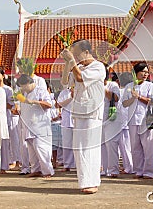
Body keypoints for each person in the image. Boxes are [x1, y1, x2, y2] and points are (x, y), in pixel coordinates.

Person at [60, 39, 106, 194]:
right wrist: (68, 62)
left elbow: (80, 78)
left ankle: (92, 182)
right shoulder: (77, 66)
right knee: (79, 148)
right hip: (78, 111)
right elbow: (65, 82)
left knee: (89, 147)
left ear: (86, 51)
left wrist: (72, 61)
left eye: (77, 53)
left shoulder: (98, 66)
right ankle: (85, 181)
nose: (76, 57)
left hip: (92, 112)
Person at [122, 63, 153, 179]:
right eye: (143, 72)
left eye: (147, 72)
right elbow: (124, 103)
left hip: (146, 119)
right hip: (132, 120)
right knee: (135, 147)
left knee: (148, 147)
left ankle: (149, 171)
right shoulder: (129, 86)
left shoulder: (150, 86)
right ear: (135, 73)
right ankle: (138, 170)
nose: (145, 74)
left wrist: (139, 97)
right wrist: (132, 98)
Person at [17, 74, 54, 179]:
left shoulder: (40, 90)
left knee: (41, 148)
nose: (22, 88)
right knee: (31, 149)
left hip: (40, 125)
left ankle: (47, 171)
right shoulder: (23, 94)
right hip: (28, 126)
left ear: (29, 83)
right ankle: (36, 170)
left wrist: (34, 102)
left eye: (23, 86)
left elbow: (49, 104)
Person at [102, 69, 121, 177]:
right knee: (102, 145)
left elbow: (116, 98)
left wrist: (103, 87)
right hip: (99, 118)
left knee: (111, 144)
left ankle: (113, 170)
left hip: (111, 118)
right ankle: (104, 169)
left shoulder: (113, 85)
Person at [57, 86, 76, 171]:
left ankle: (77, 164)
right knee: (67, 143)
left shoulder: (81, 89)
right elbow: (60, 104)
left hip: (78, 117)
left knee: (78, 143)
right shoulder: (64, 92)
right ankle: (67, 164)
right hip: (67, 119)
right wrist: (71, 97)